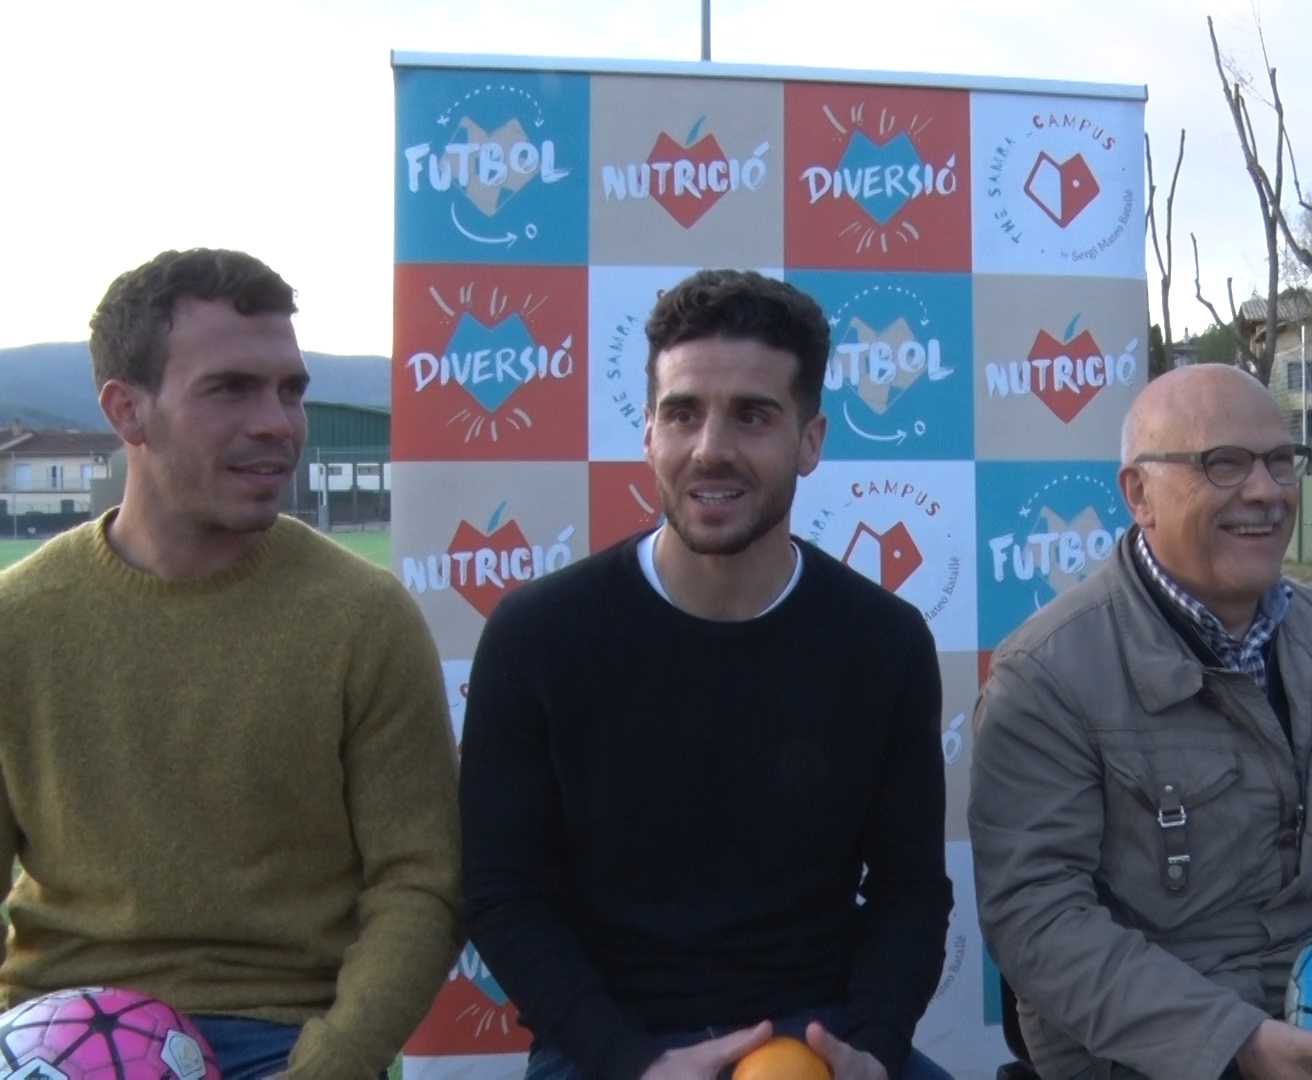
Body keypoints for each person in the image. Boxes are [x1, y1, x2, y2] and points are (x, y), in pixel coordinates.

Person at [459, 269, 952, 1080]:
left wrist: (871, 1050)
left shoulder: (885, 641)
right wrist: (631, 1060)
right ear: (648, 433)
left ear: (811, 441)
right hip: (610, 1045)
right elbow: (501, 895)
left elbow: (911, 894)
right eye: (683, 413)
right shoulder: (537, 636)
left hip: (819, 1037)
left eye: (752, 415)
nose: (710, 448)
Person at [0, 248, 462, 1078]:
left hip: (283, 1038)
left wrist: (330, 1063)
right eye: (231, 389)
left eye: (290, 390)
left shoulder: (364, 618)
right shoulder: (18, 622)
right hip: (56, 1034)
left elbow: (421, 881)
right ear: (127, 411)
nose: (277, 423)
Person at [968, 363, 1312, 1080]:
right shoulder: (1048, 675)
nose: (1266, 491)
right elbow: (1038, 921)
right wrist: (1235, 1040)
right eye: (1224, 464)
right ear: (1138, 494)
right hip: (1162, 1057)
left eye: (1280, 461)